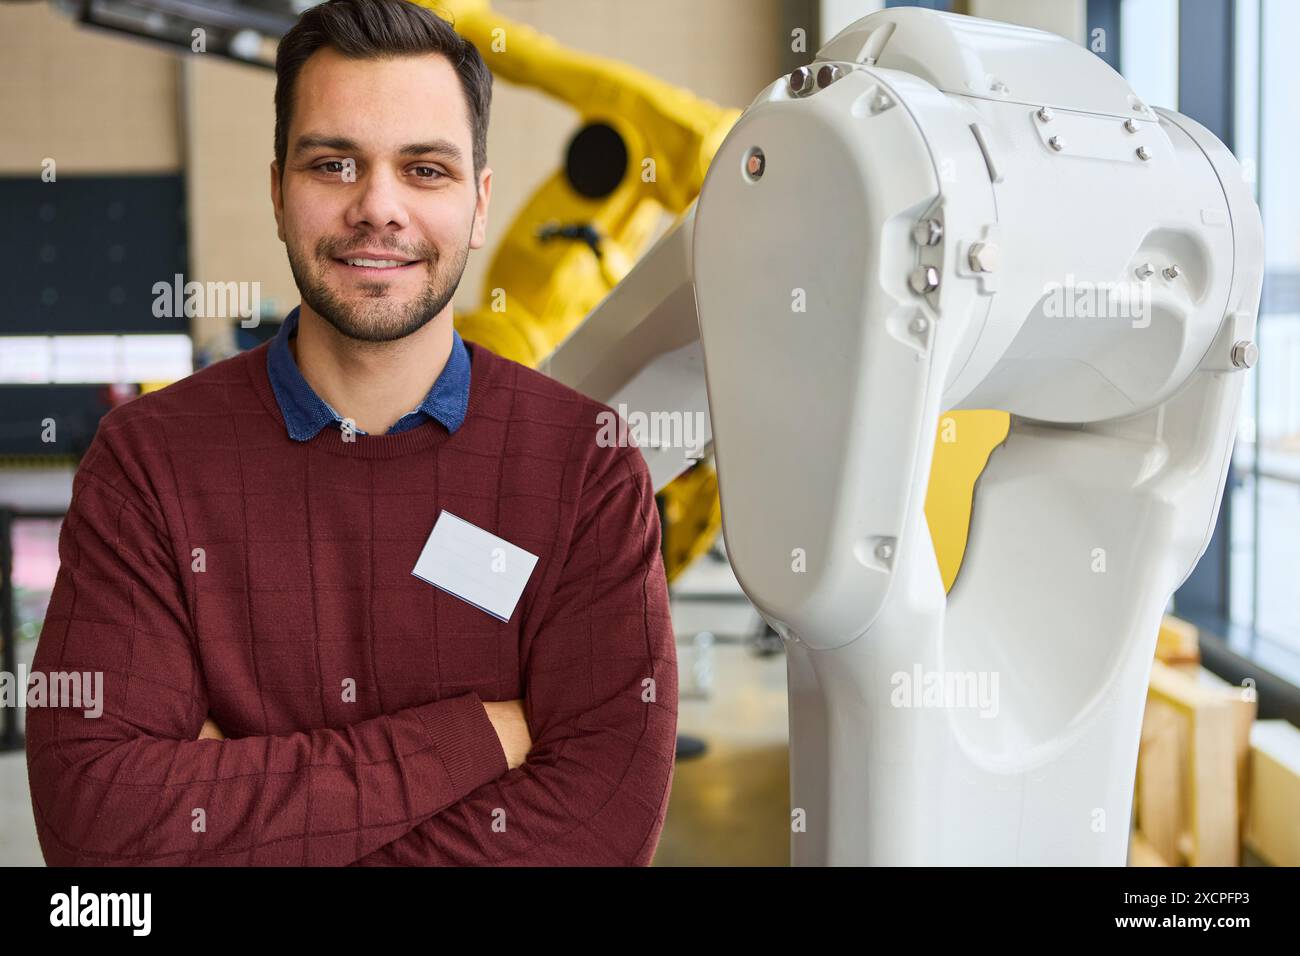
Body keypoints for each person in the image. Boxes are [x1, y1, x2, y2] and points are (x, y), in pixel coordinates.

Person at [26, 0, 677, 866]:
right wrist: (474, 742)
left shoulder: (582, 462)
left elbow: (603, 830)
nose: (379, 208)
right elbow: (99, 825)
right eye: (334, 164)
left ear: (480, 207)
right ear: (277, 191)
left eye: (426, 170)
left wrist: (227, 793)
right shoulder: (149, 462)